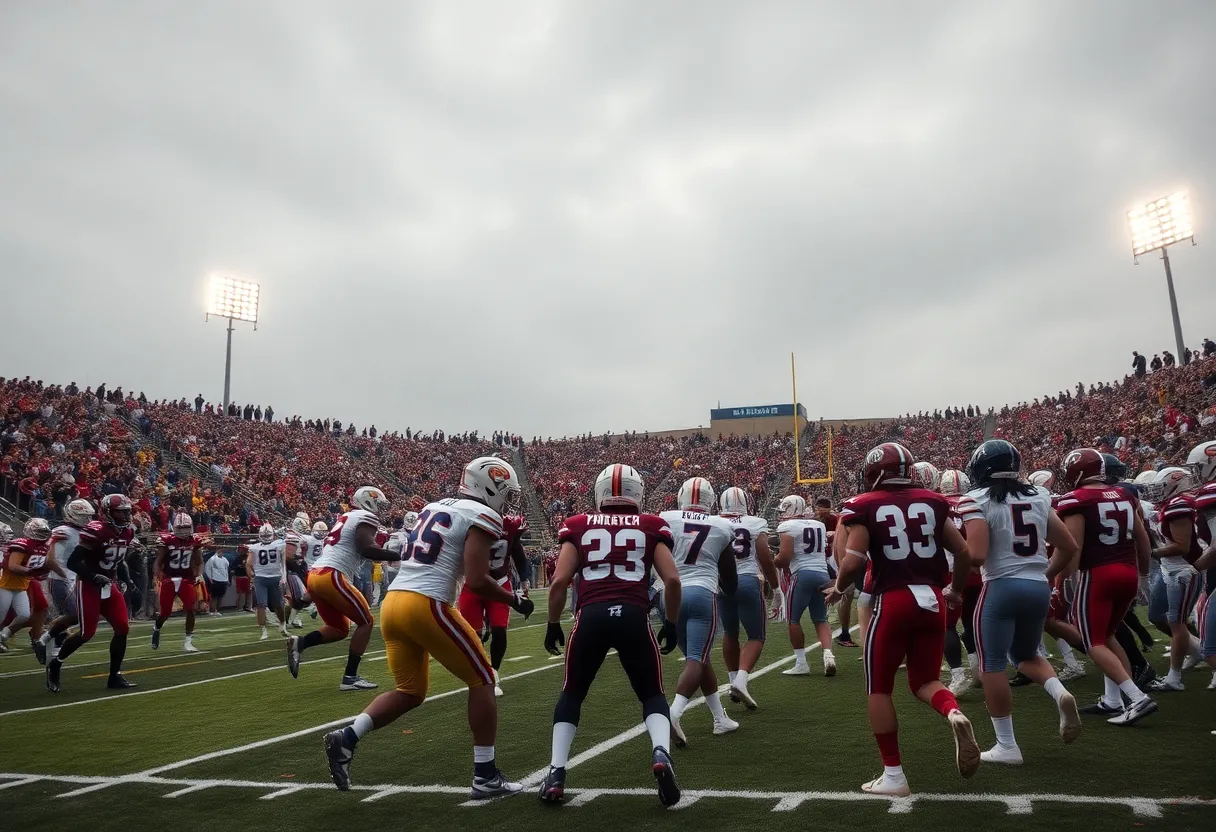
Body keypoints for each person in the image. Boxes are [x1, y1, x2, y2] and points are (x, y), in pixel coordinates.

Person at [322, 458, 534, 798]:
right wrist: (514, 600)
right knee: (484, 679)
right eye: (506, 492)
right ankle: (485, 776)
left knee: (410, 691)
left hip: (394, 604)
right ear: (489, 486)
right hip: (428, 603)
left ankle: (347, 737)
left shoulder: (433, 506)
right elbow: (477, 580)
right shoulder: (482, 514)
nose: (507, 501)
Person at [823, 442, 979, 797]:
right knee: (925, 681)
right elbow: (963, 552)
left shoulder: (865, 504)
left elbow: (853, 561)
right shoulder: (933, 501)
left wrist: (839, 587)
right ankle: (953, 712)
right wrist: (955, 590)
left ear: (875, 471)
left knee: (879, 688)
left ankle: (893, 774)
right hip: (932, 599)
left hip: (893, 599)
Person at [540, 463, 683, 806]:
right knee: (652, 694)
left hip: (590, 617)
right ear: (638, 493)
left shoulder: (578, 524)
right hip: (634, 615)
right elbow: (673, 580)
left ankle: (556, 772)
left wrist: (553, 623)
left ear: (599, 492)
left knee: (572, 693)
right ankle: (660, 752)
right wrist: (671, 623)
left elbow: (559, 582)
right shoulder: (651, 525)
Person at [956, 440, 1081, 764]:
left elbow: (978, 554)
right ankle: (1059, 693)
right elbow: (1068, 546)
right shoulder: (1038, 496)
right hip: (1037, 587)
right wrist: (1045, 574)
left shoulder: (976, 499)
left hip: (1000, 587)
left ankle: (1007, 745)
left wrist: (956, 563)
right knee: (1025, 655)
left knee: (992, 665)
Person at [1055, 449, 1157, 725]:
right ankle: (1115, 700)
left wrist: (1065, 580)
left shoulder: (1076, 499)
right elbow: (1143, 541)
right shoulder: (1125, 494)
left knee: (1093, 642)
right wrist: (1143, 575)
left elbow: (1073, 547)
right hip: (1128, 572)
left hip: (1098, 575)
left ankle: (1137, 697)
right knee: (1108, 635)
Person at [291, 486, 403, 691]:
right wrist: (400, 555)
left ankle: (301, 642)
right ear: (368, 501)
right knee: (366, 622)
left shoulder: (347, 517)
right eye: (378, 503)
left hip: (316, 575)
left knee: (339, 629)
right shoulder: (365, 517)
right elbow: (366, 549)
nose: (381, 508)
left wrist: (308, 595)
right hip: (332, 574)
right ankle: (350, 677)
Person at [660, 477, 738, 745]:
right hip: (701, 593)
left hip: (669, 595)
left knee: (700, 659)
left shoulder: (665, 519)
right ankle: (672, 714)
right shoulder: (722, 526)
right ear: (711, 500)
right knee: (696, 659)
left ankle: (720, 718)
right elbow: (730, 581)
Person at [46, 494, 137, 693]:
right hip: (88, 585)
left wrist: (127, 579)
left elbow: (118, 560)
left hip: (109, 585)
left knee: (122, 628)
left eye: (127, 511)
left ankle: (114, 676)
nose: (126, 515)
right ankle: (56, 664)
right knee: (87, 633)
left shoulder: (128, 531)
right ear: (108, 512)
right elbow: (73, 562)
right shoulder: (96, 531)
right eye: (120, 512)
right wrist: (94, 576)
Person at [717, 486, 781, 709]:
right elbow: (765, 557)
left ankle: (732, 680)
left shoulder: (715, 522)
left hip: (722, 583)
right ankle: (741, 681)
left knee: (730, 632)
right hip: (747, 579)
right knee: (756, 636)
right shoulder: (755, 522)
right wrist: (777, 589)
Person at [1146, 466, 1205, 690]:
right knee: (1160, 616)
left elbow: (1181, 546)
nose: (1156, 492)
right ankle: (1200, 651)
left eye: (1161, 486)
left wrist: (1151, 553)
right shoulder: (1171, 504)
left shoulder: (1179, 505)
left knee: (1176, 622)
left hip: (1184, 569)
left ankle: (1174, 678)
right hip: (1170, 568)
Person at [457, 513, 528, 697]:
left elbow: (517, 552)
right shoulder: (468, 519)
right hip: (472, 585)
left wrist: (524, 578)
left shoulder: (510, 524)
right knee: (473, 634)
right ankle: (481, 670)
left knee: (499, 629)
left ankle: (494, 671)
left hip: (499, 583)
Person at [774, 495, 834, 677]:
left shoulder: (788, 526)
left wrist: (773, 560)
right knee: (820, 618)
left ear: (789, 509)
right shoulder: (819, 525)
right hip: (822, 573)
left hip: (802, 574)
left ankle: (801, 663)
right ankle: (828, 655)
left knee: (793, 619)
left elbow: (784, 559)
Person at [938, 469, 983, 694]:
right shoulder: (974, 502)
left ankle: (958, 675)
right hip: (975, 570)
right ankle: (977, 668)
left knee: (946, 626)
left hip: (949, 572)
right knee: (971, 621)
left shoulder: (937, 504)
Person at [37, 499, 95, 662]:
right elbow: (50, 560)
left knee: (78, 615)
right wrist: (64, 575)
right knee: (75, 614)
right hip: (61, 578)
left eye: (89, 516)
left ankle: (45, 641)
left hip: (74, 577)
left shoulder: (83, 532)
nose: (88, 520)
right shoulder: (63, 531)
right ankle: (46, 642)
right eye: (84, 516)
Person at [0, 519, 62, 652]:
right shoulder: (19, 546)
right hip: (7, 583)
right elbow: (12, 566)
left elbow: (39, 566)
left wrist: (39, 570)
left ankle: (31, 635)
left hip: (23, 583)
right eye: (3, 534)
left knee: (33, 610)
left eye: (9, 533)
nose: (7, 537)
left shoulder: (34, 546)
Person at [151, 513, 205, 652]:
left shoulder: (194, 541)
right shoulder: (167, 540)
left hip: (186, 578)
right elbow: (158, 561)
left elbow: (199, 562)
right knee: (165, 612)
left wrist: (199, 575)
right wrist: (157, 576)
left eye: (186, 528)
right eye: (180, 528)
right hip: (169, 578)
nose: (183, 531)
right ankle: (157, 628)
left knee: (191, 609)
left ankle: (188, 641)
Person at [246, 523, 288, 641]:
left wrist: (284, 575)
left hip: (275, 577)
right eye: (264, 535)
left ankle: (282, 625)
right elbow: (248, 563)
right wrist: (252, 577)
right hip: (261, 578)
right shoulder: (255, 547)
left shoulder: (279, 544)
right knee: (261, 605)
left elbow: (284, 561)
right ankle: (263, 629)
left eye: (267, 535)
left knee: (279, 605)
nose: (266, 537)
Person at [283, 516, 312, 629]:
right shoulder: (291, 536)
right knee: (297, 595)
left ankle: (292, 618)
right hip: (292, 568)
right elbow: (287, 555)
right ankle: (289, 619)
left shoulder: (300, 536)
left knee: (303, 596)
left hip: (299, 566)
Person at [204, 547, 230, 616]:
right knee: (214, 596)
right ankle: (212, 610)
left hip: (223, 580)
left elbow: (226, 570)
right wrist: (210, 578)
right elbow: (207, 568)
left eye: (222, 551)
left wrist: (227, 579)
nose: (221, 552)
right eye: (220, 550)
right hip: (215, 580)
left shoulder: (225, 560)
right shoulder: (212, 559)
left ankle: (217, 609)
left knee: (220, 596)